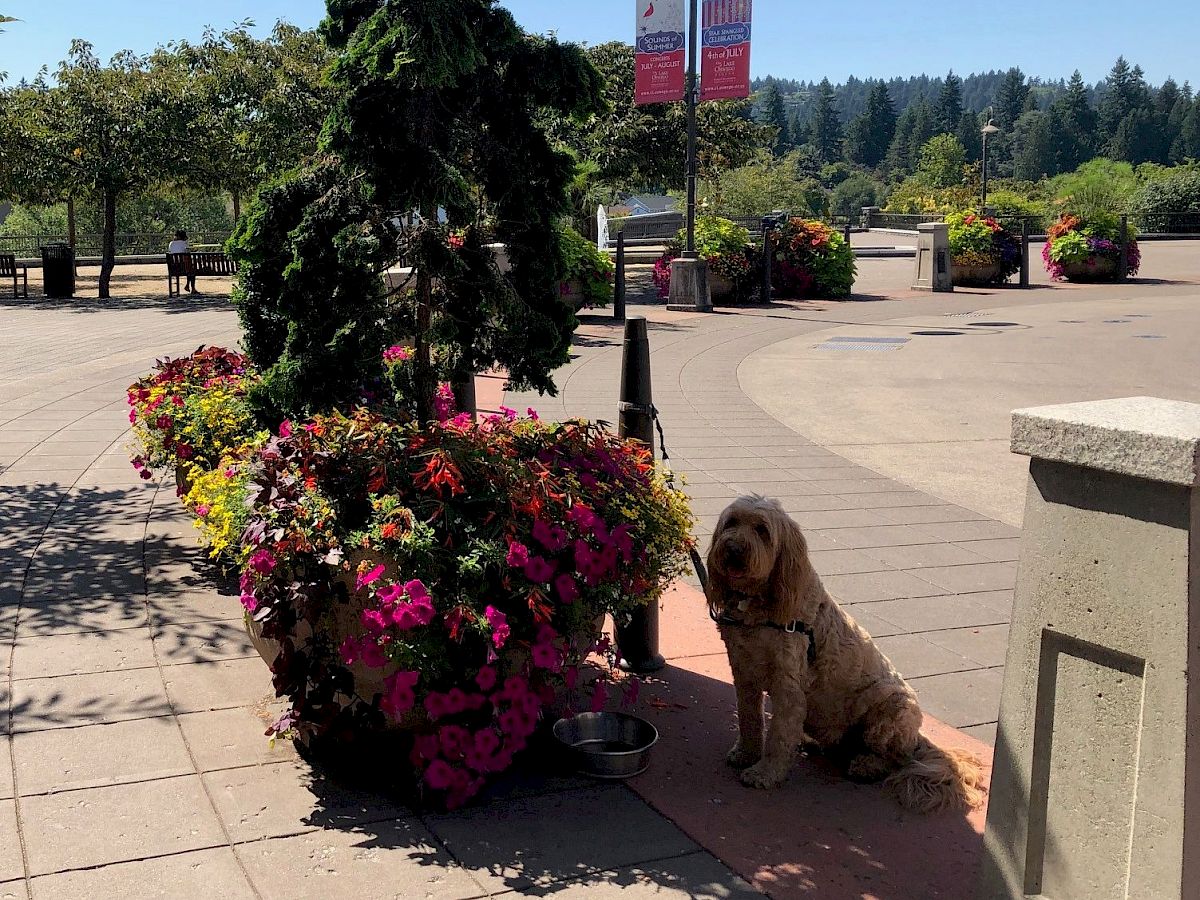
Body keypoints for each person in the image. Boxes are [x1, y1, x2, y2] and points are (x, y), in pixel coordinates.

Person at [168, 230, 197, 294]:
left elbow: (170, 251)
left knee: (189, 268)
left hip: (174, 268)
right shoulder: (184, 243)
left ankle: (187, 285)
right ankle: (192, 288)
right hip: (185, 268)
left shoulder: (171, 243)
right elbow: (187, 253)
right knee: (191, 269)